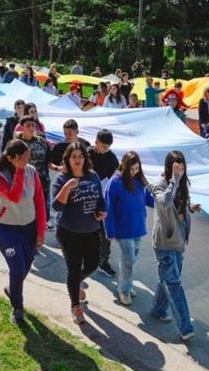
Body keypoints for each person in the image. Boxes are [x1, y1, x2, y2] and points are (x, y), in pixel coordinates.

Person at [0, 139, 46, 324]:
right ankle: (17, 306)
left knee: (27, 263)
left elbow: (38, 200)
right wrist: (20, 170)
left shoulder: (31, 171)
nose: (27, 160)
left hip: (27, 227)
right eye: (23, 157)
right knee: (17, 268)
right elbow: (13, 196)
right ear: (11, 158)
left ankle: (12, 289)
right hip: (5, 229)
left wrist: (40, 230)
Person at [51, 142, 107, 324]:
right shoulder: (61, 178)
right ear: (67, 158)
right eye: (73, 156)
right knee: (73, 269)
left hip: (91, 229)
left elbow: (101, 199)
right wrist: (67, 187)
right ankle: (75, 306)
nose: (77, 159)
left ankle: (74, 284)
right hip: (69, 232)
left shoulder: (93, 176)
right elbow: (56, 206)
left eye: (80, 156)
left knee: (93, 263)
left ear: (85, 158)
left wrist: (103, 212)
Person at [150, 150, 201, 341]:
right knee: (174, 283)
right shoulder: (159, 183)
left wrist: (189, 209)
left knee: (168, 277)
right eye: (176, 167)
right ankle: (185, 327)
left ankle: (157, 309)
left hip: (179, 237)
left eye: (182, 166)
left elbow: (177, 205)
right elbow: (164, 203)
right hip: (165, 241)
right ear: (169, 167)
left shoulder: (181, 182)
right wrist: (175, 179)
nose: (180, 170)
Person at [104, 151, 153, 306]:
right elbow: (108, 208)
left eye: (136, 168)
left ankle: (126, 284)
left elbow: (149, 200)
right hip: (123, 229)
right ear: (124, 165)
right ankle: (124, 290)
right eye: (131, 169)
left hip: (138, 227)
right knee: (129, 259)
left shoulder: (139, 181)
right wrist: (109, 231)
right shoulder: (115, 182)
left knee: (131, 259)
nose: (133, 172)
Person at [90, 130, 120, 279]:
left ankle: (103, 261)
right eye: (103, 146)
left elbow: (116, 173)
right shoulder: (87, 154)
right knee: (88, 230)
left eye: (108, 147)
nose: (106, 149)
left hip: (104, 199)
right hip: (88, 197)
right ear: (96, 143)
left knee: (105, 231)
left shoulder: (112, 158)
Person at [15, 115, 53, 229]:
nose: (32, 128)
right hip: (24, 181)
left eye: (33, 125)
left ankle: (39, 230)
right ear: (22, 128)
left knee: (40, 208)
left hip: (41, 180)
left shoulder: (42, 141)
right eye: (28, 125)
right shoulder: (18, 143)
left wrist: (58, 168)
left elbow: (48, 161)